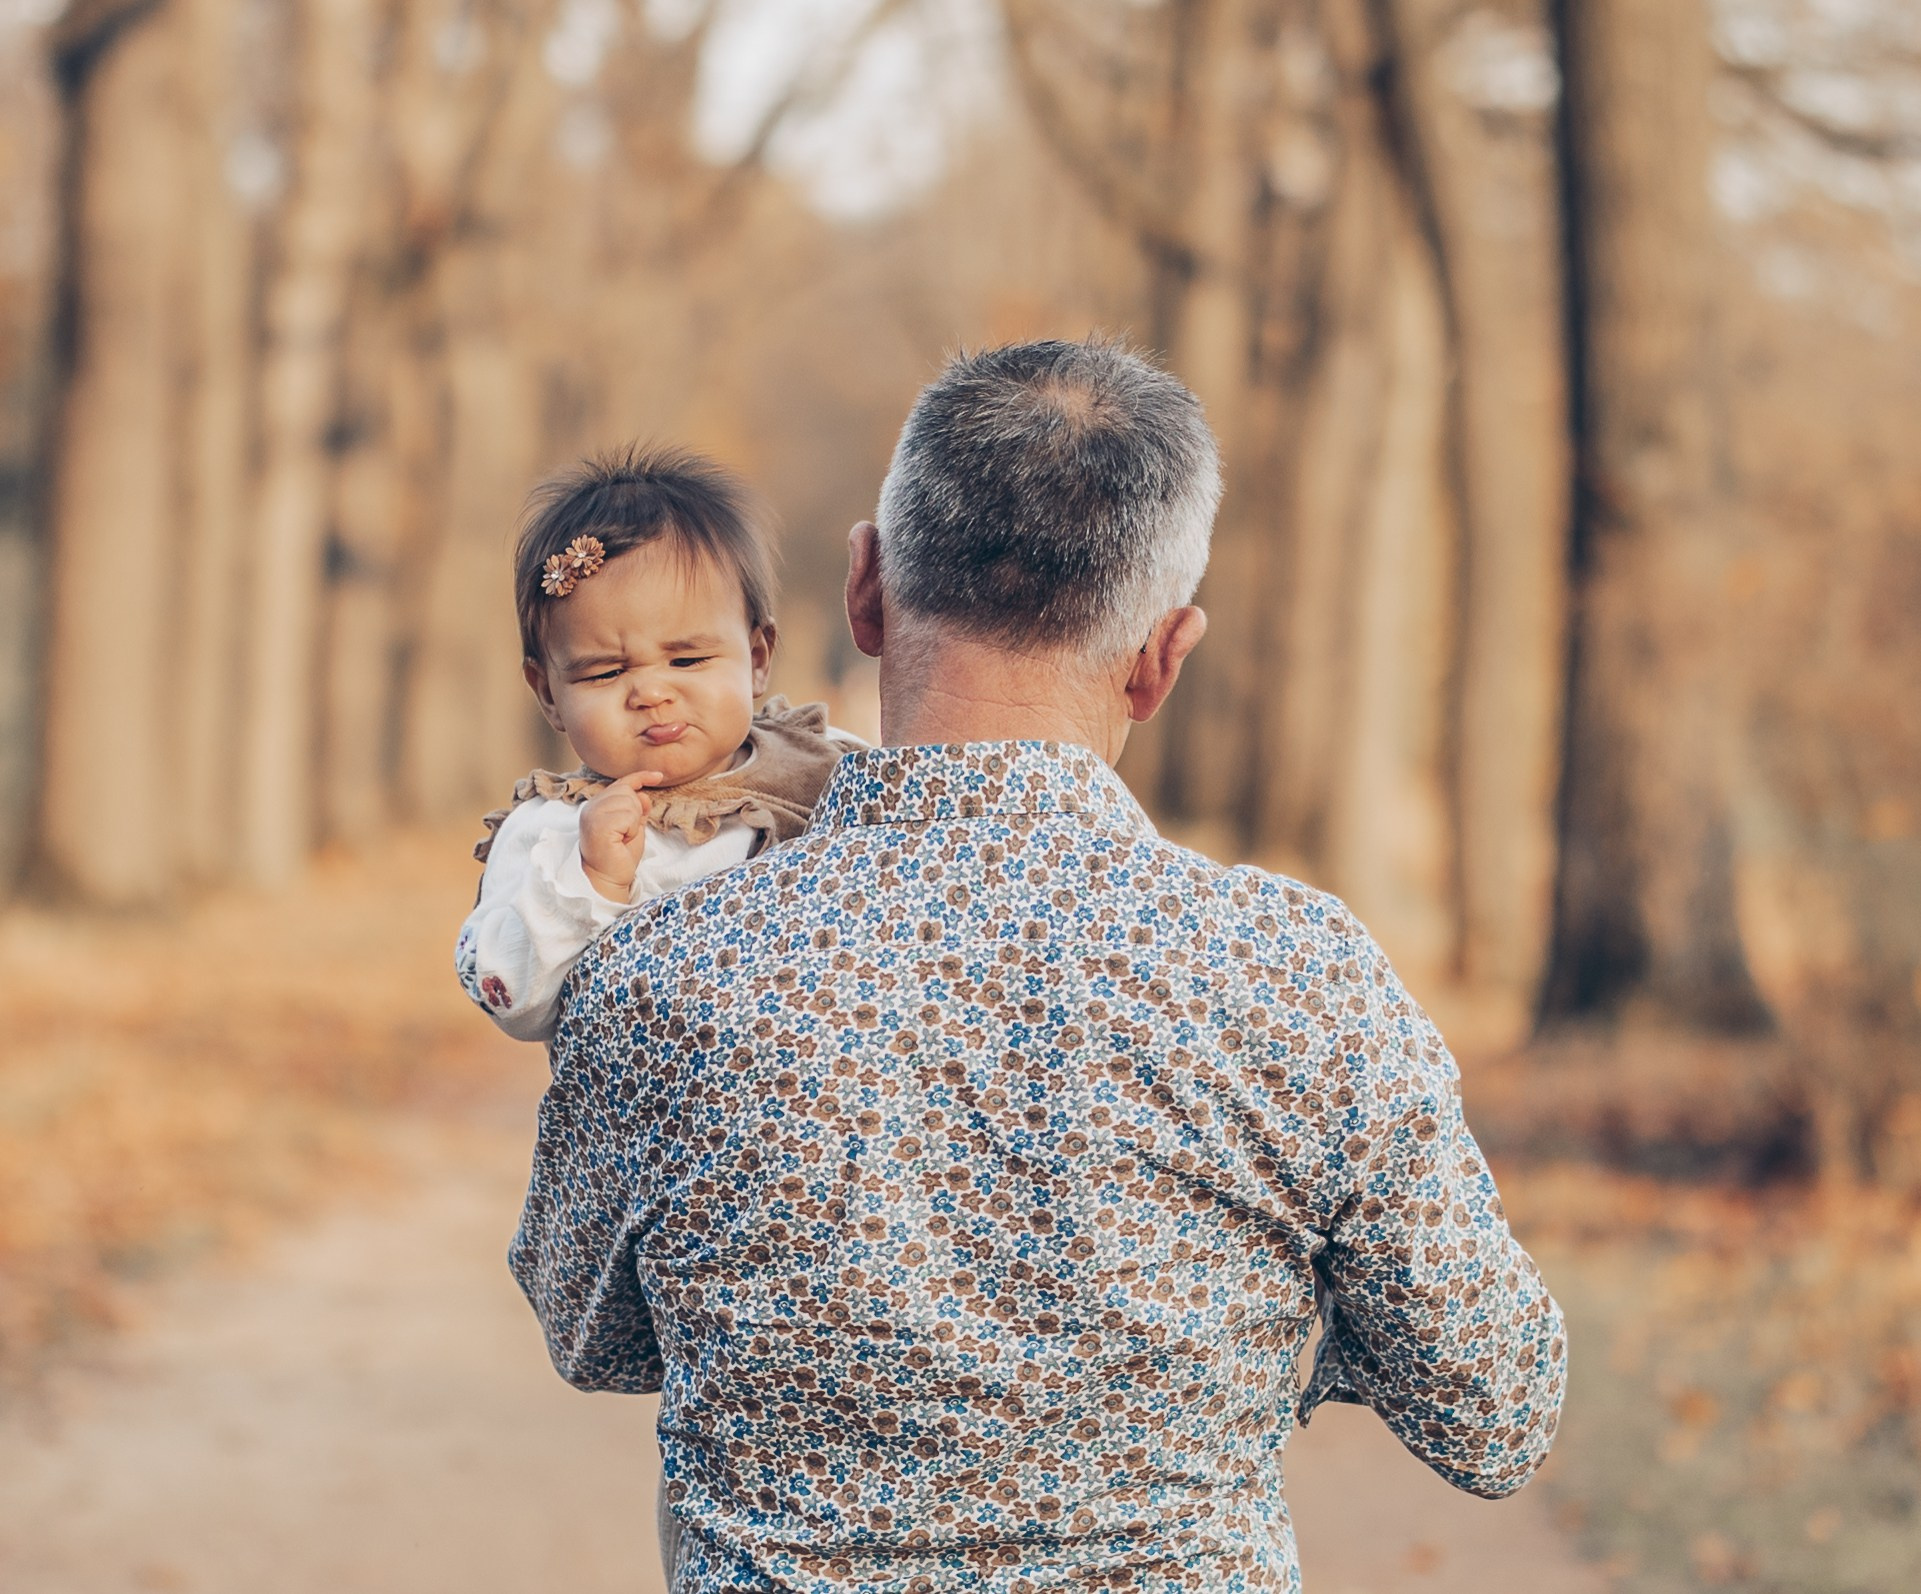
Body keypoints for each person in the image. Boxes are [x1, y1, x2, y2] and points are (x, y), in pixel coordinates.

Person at [511, 339, 1567, 1593]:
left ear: (864, 590)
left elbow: (590, 1331)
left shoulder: (659, 972)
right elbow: (1494, 1411)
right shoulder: (1301, 977)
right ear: (1162, 657)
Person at [456, 445, 862, 1044]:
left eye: (688, 658)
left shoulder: (830, 764)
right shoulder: (554, 832)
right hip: (662, 1127)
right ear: (548, 694)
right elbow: (511, 999)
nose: (649, 691)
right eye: (602, 673)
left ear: (756, 659)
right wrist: (590, 881)